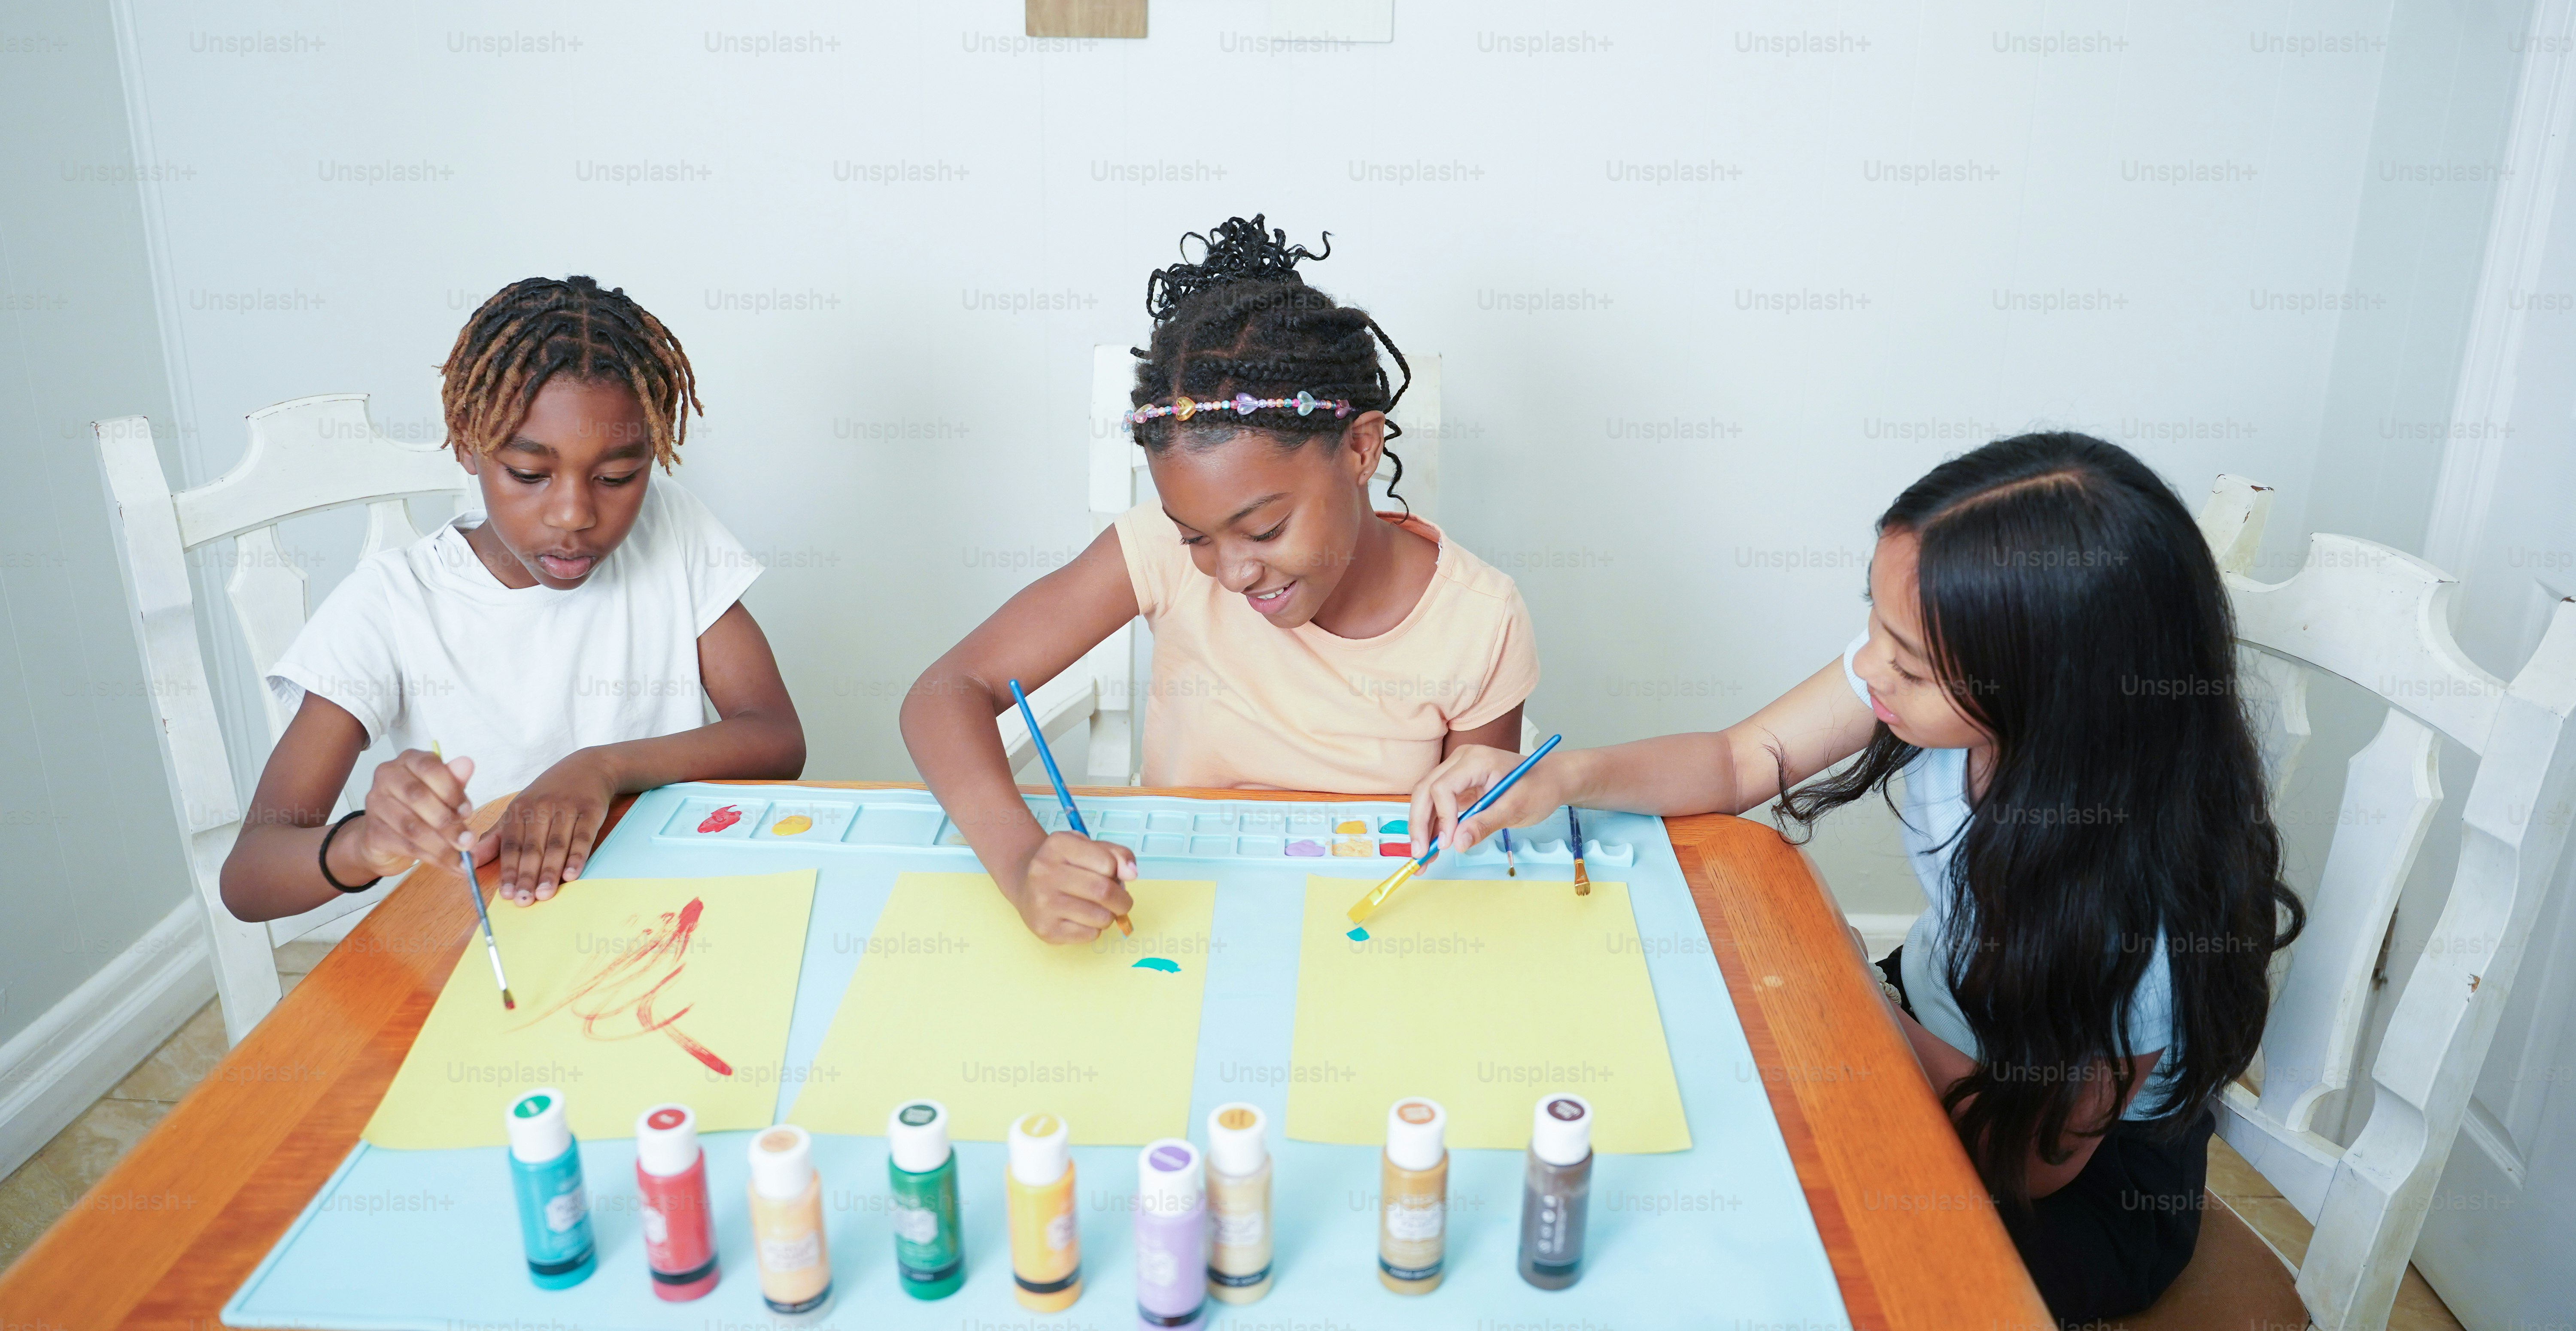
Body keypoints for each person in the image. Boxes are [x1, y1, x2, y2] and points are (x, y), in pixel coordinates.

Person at [1411, 432, 2300, 1324]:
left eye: (1908, 661)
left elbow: (2031, 1155)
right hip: (1915, 1027)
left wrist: (1838, 992)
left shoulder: (2137, 913)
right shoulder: (1932, 676)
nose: (1869, 664)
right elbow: (1736, 757)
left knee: (1781, 1255)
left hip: (2067, 1186)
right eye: (1874, 623)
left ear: (2055, 696)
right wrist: (1561, 775)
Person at [906, 216, 1540, 943]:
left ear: (1361, 449)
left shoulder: (1480, 620)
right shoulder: (1157, 551)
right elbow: (944, 693)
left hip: (1371, 927)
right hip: (1169, 915)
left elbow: (1469, 843)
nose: (1234, 572)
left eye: (1266, 530)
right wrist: (1020, 860)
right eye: (1196, 537)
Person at [220, 275, 805, 921]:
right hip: (492, 945)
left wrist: (601, 768)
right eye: (530, 475)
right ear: (467, 442)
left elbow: (776, 739)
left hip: (674, 915)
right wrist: (366, 844)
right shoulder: (391, 606)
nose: (574, 514)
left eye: (618, 477)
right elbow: (248, 879)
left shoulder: (672, 532)